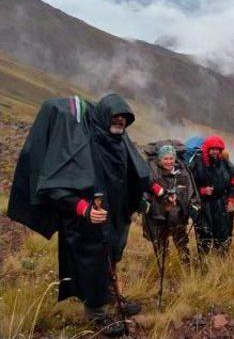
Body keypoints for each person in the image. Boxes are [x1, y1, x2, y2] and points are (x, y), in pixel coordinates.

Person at [8, 94, 151, 337]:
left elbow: (132, 175)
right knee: (91, 262)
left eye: (125, 119)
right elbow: (57, 185)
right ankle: (96, 313)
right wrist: (83, 209)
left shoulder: (119, 142)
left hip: (114, 215)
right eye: (116, 117)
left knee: (112, 255)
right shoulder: (82, 143)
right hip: (85, 219)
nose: (120, 122)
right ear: (104, 116)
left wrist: (139, 200)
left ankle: (112, 296)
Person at [142, 143, 199, 265]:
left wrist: (194, 205)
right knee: (161, 246)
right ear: (160, 159)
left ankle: (186, 267)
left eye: (171, 158)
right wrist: (144, 202)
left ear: (175, 158)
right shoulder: (153, 173)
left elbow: (191, 192)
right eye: (165, 159)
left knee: (182, 244)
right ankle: (163, 268)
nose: (168, 162)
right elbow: (145, 190)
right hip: (159, 216)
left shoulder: (183, 173)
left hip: (178, 216)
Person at [191, 135, 234, 255]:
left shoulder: (225, 163)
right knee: (204, 233)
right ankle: (204, 261)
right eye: (212, 149)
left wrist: (230, 200)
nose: (215, 151)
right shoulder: (197, 163)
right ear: (207, 149)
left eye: (218, 149)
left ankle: (221, 260)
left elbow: (232, 183)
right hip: (204, 204)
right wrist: (202, 191)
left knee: (223, 233)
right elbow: (189, 184)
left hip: (222, 203)